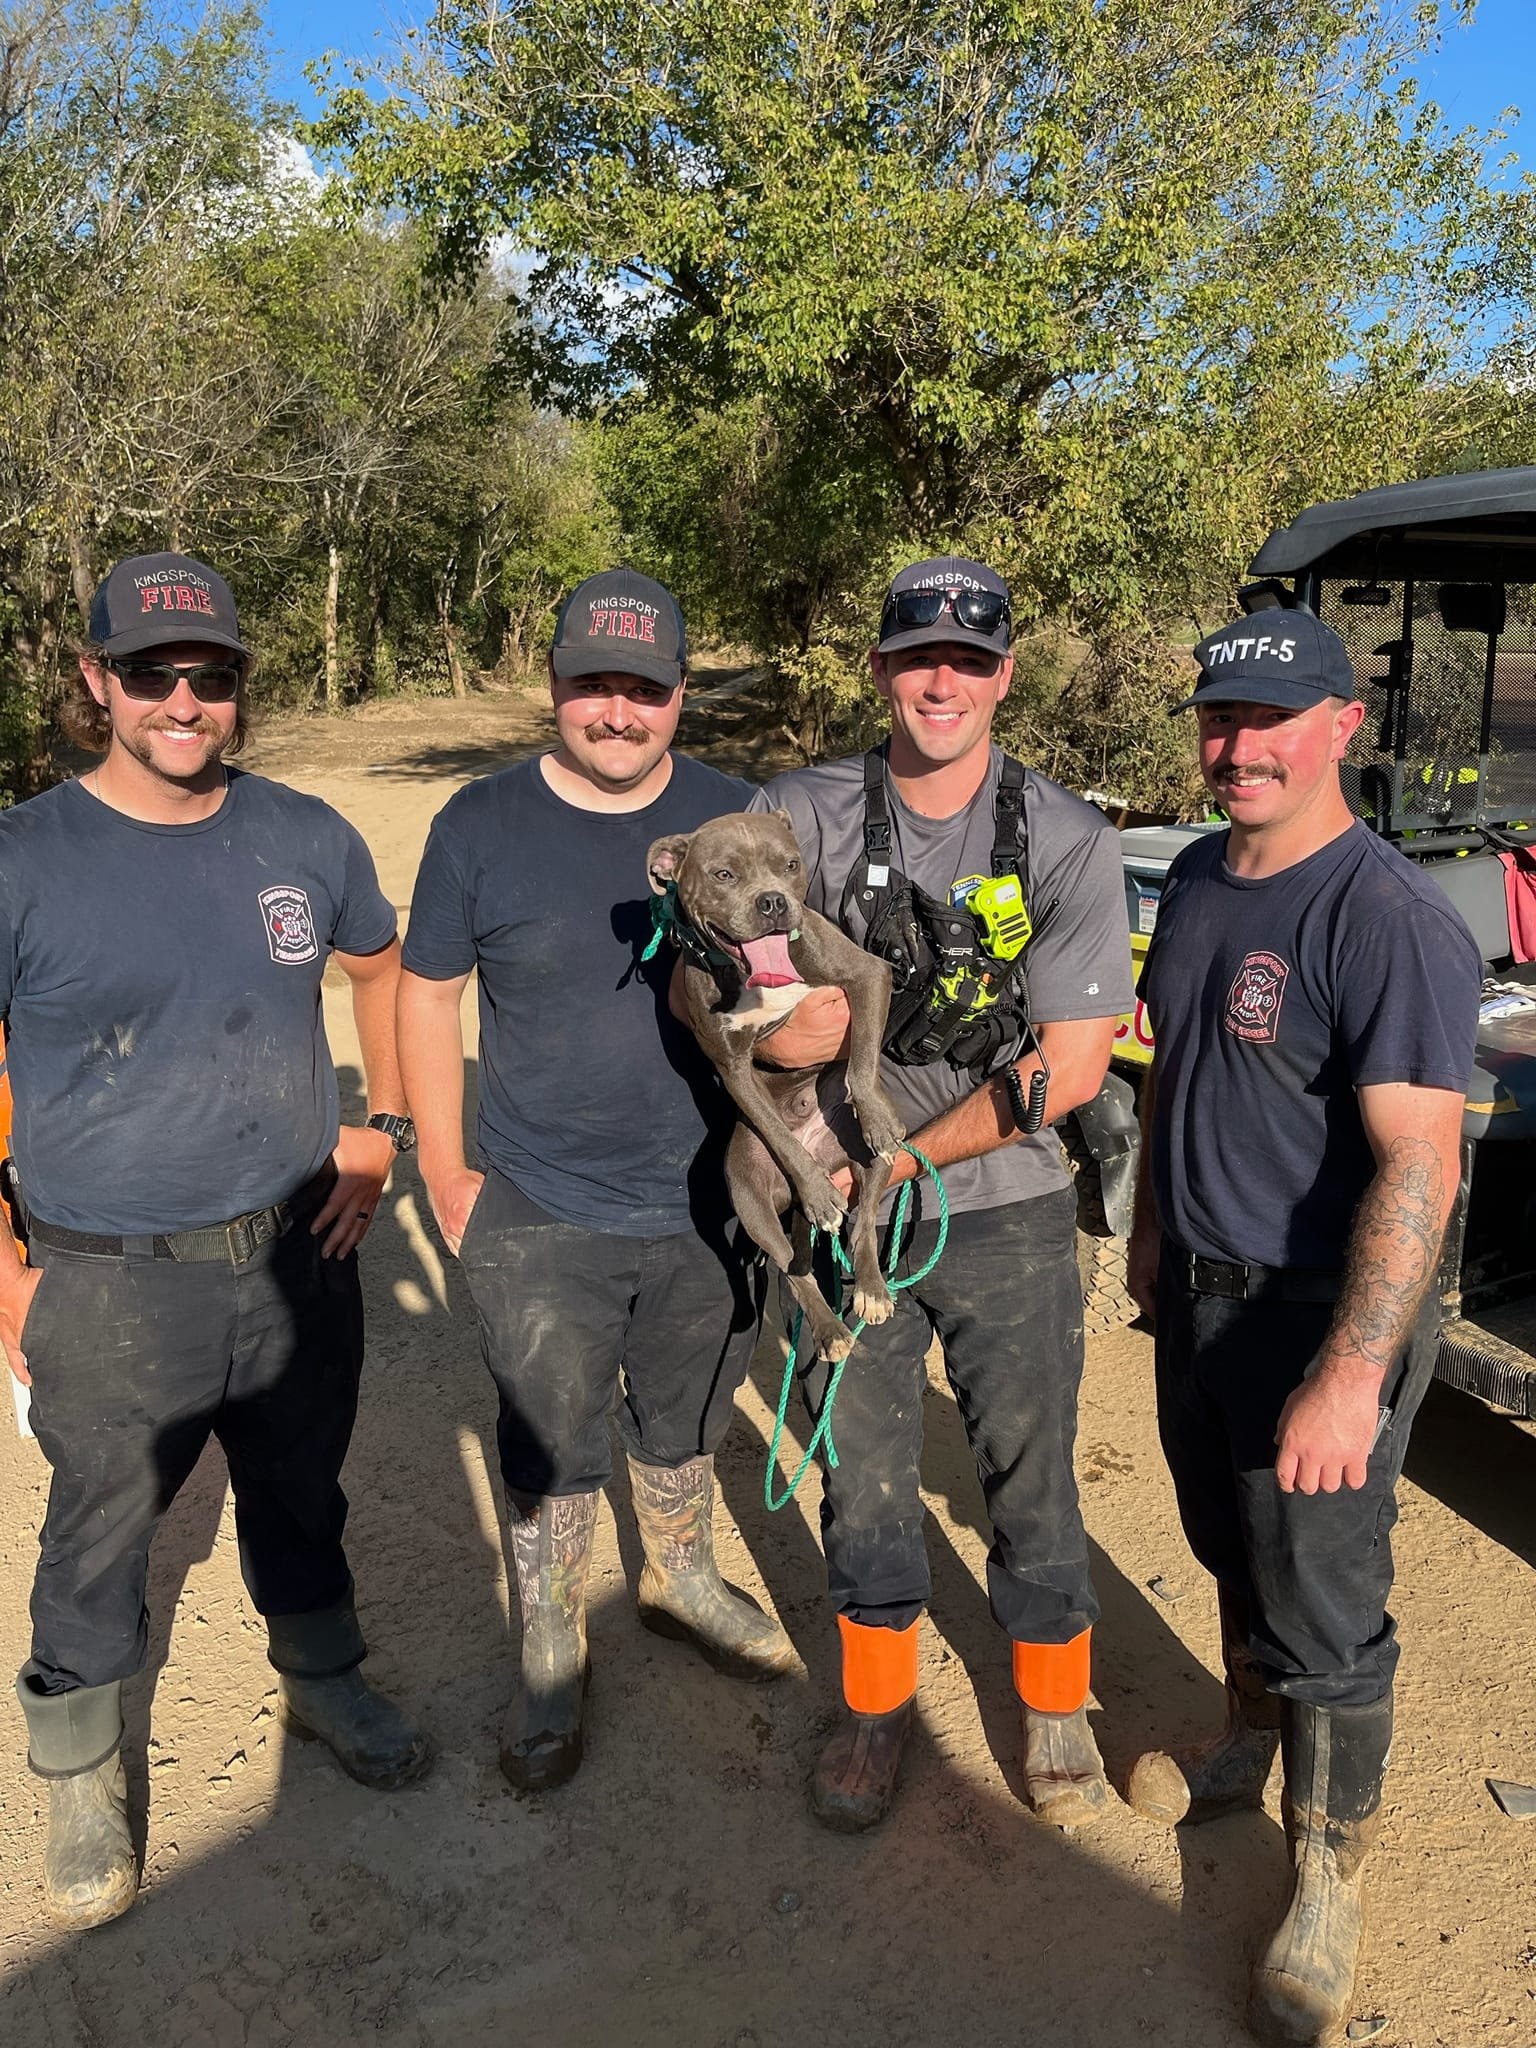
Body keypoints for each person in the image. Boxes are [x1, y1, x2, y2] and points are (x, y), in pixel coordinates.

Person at [0, 553, 430, 1934]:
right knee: (100, 1530)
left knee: (302, 1487)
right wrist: (3, 1275)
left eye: (211, 674)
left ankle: (321, 1678)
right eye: (151, 672)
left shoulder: (305, 838)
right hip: (108, 1273)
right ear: (95, 681)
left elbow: (383, 965)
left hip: (300, 1251)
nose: (183, 700)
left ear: (242, 685)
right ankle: (75, 1761)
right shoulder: (23, 859)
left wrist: (389, 1129)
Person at [1123, 611, 1480, 2045]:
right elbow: (1174, 1076)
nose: (1240, 745)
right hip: (1195, 1293)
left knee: (1326, 1605)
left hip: (1313, 1316)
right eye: (1220, 718)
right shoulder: (1203, 874)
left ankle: (1325, 1878)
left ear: (1343, 726)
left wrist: (1349, 1374)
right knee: (1228, 1541)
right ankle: (1246, 1731)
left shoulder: (1384, 918)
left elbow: (1421, 1164)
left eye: (1272, 720)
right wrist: (1152, 1235)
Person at [749, 558, 1134, 1831]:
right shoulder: (797, 815)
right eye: (919, 655)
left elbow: (1070, 1065)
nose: (942, 681)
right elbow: (720, 971)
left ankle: (1056, 1697)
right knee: (860, 1464)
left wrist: (909, 1155)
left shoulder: (1068, 837)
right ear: (881, 669)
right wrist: (776, 1027)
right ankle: (875, 1705)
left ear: (1004, 677)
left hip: (1005, 1199)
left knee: (1027, 1460)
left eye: (970, 660)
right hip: (833, 1199)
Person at [397, 567, 793, 1796]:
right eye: (592, 686)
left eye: (645, 689)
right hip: (540, 1197)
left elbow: (801, 986)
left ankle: (678, 1573)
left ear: (680, 692)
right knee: (548, 1432)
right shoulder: (479, 823)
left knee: (687, 1408)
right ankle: (552, 1633)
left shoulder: (742, 815)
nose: (617, 713)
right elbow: (425, 990)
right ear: (552, 684)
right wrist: (448, 1166)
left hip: (713, 1193)